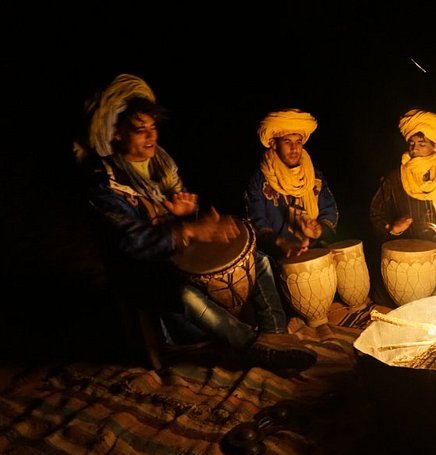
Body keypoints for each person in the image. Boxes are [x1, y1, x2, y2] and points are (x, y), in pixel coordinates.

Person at [77, 74, 316, 376]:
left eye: (153, 127)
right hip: (148, 272)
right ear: (116, 133)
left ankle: (276, 336)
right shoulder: (106, 182)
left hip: (181, 256)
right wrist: (187, 229)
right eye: (140, 130)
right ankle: (253, 345)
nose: (151, 137)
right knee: (185, 295)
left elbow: (187, 221)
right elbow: (129, 241)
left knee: (259, 259)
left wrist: (190, 215)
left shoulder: (162, 165)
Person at [244, 109, 338, 260]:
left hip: (315, 254)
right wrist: (281, 243)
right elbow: (257, 224)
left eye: (298, 142)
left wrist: (319, 230)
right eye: (287, 142)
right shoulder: (259, 181)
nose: (294, 148)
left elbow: (329, 212)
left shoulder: (314, 176)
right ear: (274, 144)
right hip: (278, 259)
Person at [369, 109, 436, 245]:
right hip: (411, 251)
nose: (414, 149)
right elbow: (376, 213)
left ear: (435, 146)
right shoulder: (396, 177)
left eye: (422, 144)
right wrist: (392, 228)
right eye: (411, 143)